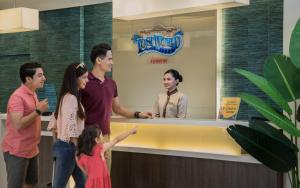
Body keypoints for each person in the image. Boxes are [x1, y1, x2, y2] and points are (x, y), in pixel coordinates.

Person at [81, 43, 152, 170]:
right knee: (90, 178)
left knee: (105, 176)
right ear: (98, 60)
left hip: (106, 136)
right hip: (88, 137)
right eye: (109, 59)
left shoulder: (111, 83)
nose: (112, 62)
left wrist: (137, 114)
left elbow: (117, 108)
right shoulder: (85, 82)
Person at [2, 62, 48, 188]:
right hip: (17, 151)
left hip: (32, 149)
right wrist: (38, 111)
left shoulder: (33, 93)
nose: (44, 78)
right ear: (28, 79)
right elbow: (18, 124)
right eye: (40, 75)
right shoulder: (17, 97)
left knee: (31, 184)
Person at [48, 62, 88, 188]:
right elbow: (71, 127)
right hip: (70, 148)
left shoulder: (66, 97)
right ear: (74, 79)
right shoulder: (70, 98)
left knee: (83, 183)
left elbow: (54, 126)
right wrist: (76, 150)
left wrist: (58, 145)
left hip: (67, 147)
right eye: (84, 77)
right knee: (60, 185)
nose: (87, 80)